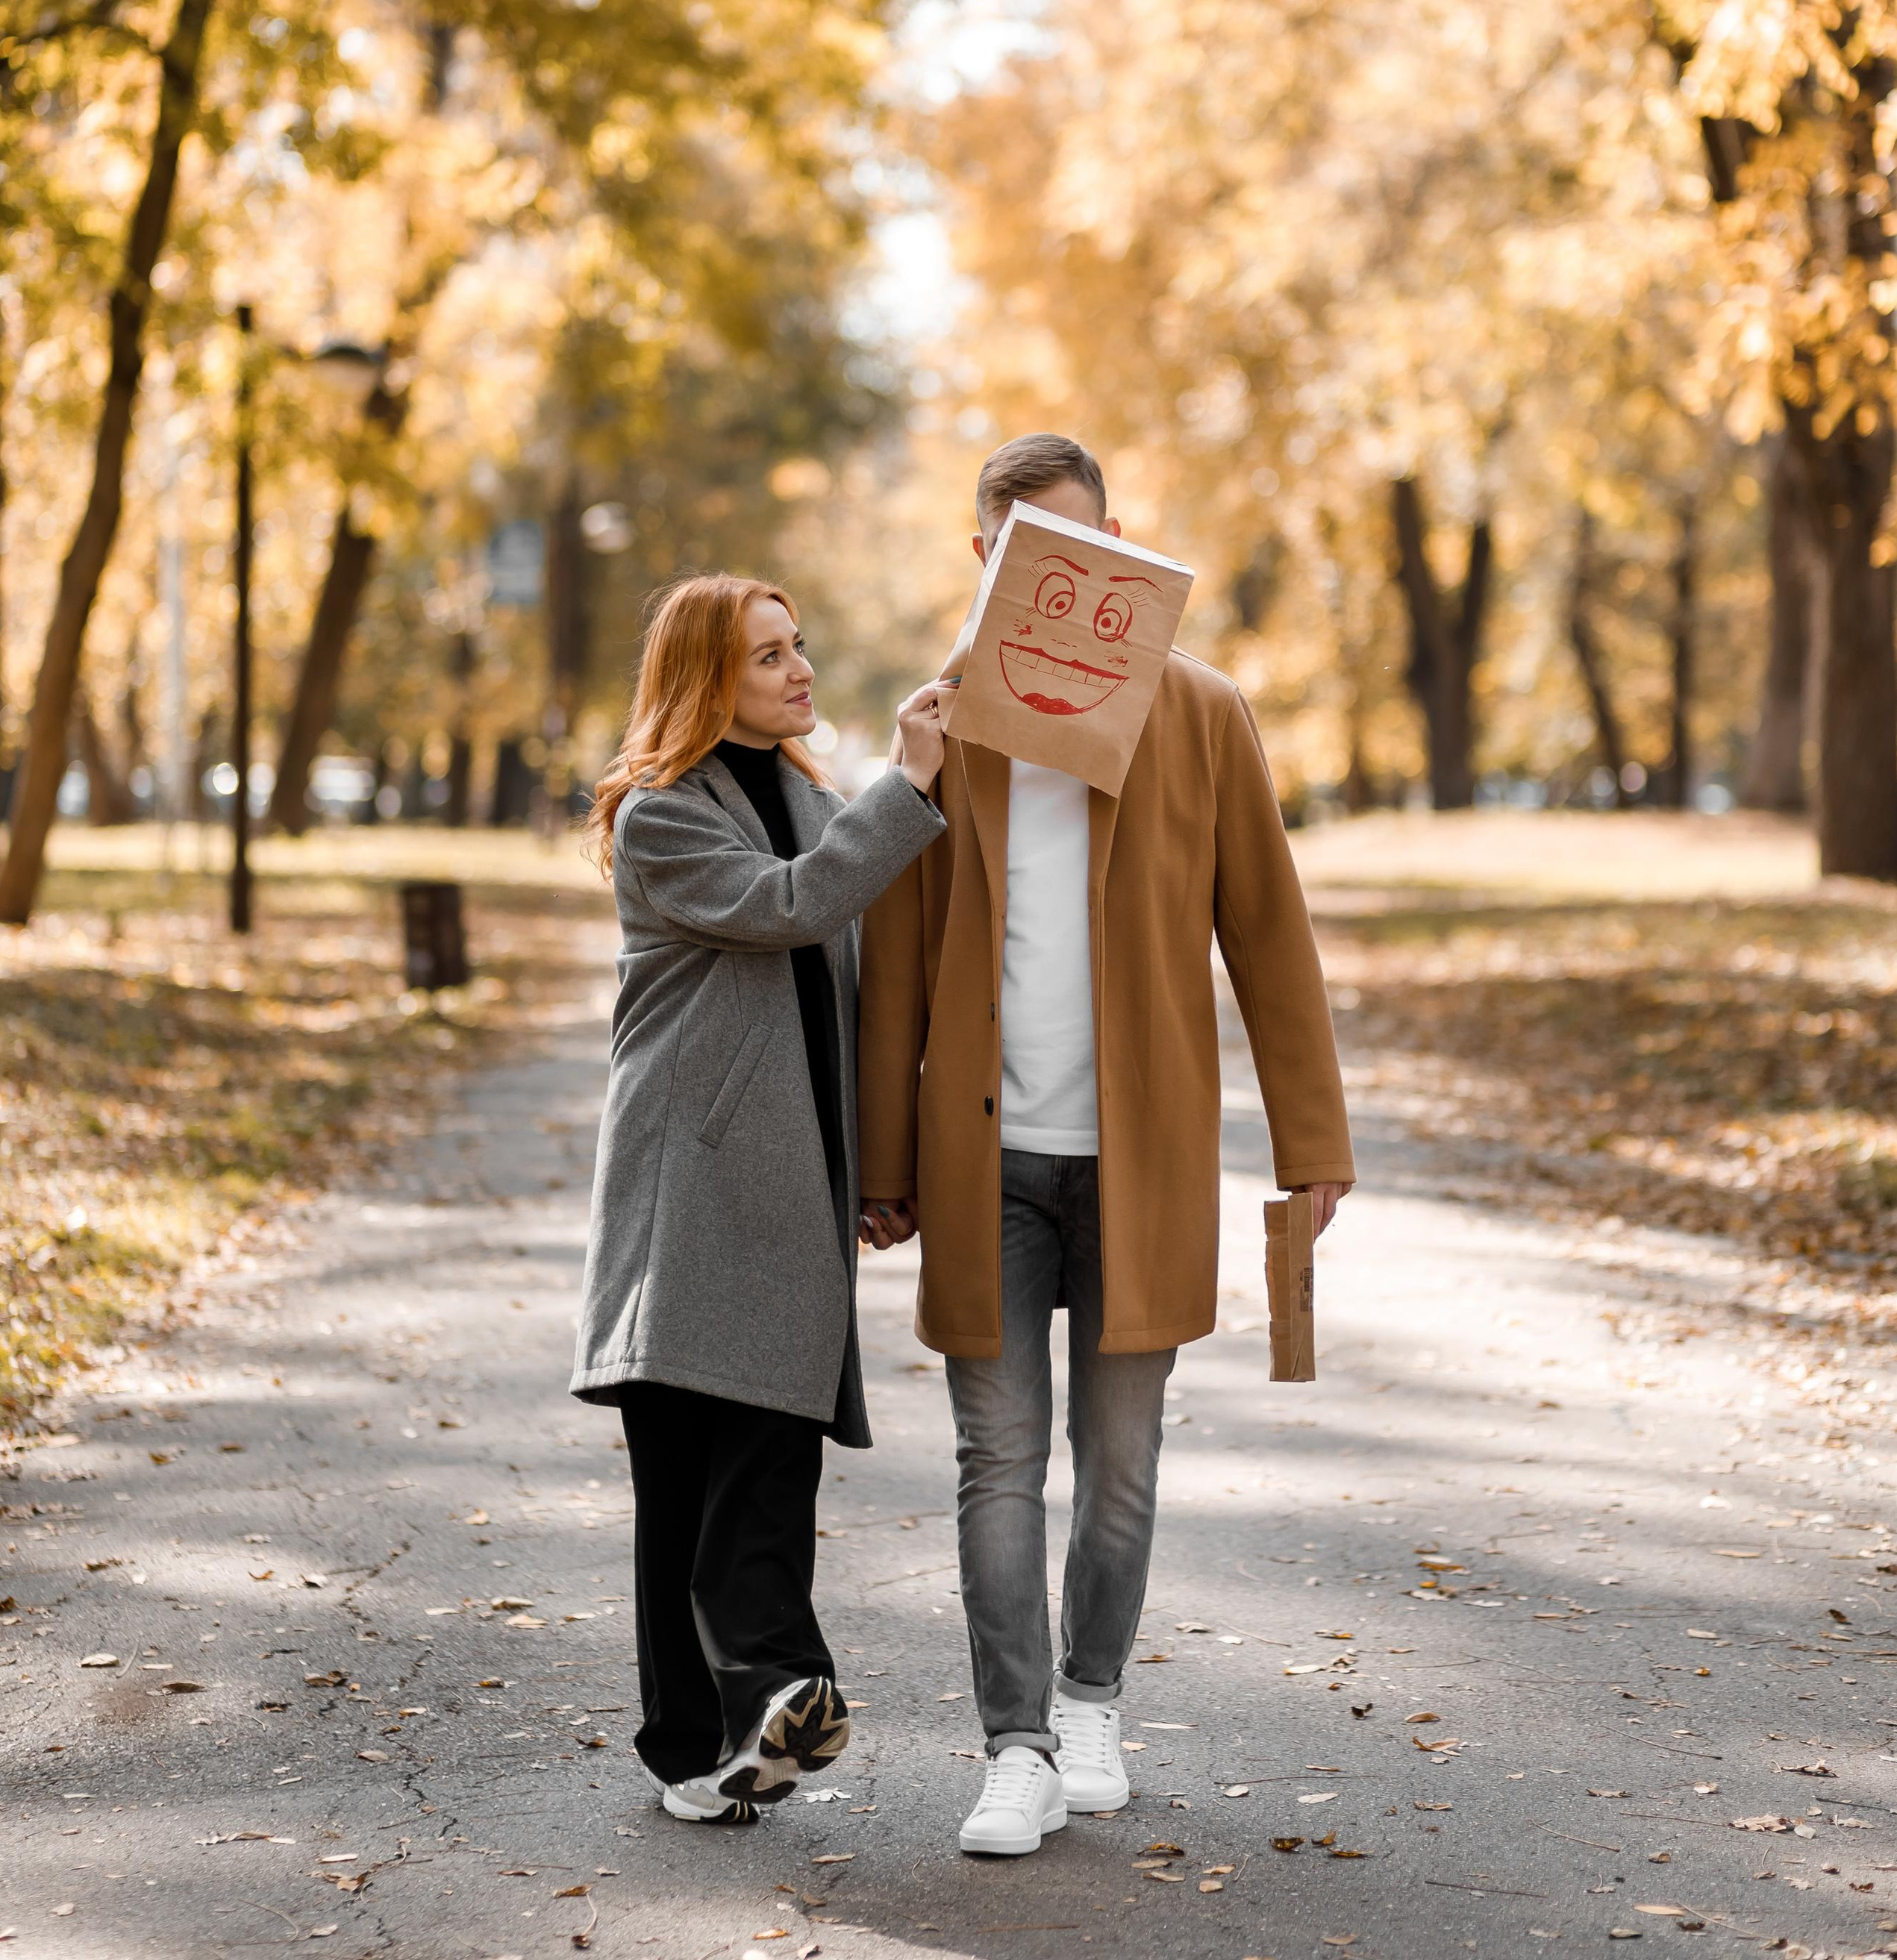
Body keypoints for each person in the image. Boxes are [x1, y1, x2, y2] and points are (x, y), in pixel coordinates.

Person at [858, 434, 1354, 1856]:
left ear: (1123, 549)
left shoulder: (1202, 716)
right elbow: (894, 956)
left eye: (1087, 556)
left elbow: (1270, 934)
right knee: (997, 1462)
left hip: (1142, 1166)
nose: (1064, 588)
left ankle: (1089, 1702)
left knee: (1120, 1464)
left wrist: (1311, 1144)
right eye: (1029, 561)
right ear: (986, 563)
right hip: (985, 1164)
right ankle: (1010, 1745)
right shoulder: (944, 733)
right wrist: (887, 1164)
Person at [572, 573, 948, 1826]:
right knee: (681, 1482)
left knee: (771, 1453)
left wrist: (870, 1174)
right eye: (767, 657)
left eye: (800, 647)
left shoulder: (809, 798)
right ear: (704, 682)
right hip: (688, 1196)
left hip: (789, 1195)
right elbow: (796, 909)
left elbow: (839, 1009)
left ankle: (777, 1698)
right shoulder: (662, 818)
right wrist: (912, 781)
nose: (799, 671)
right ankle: (704, 1742)